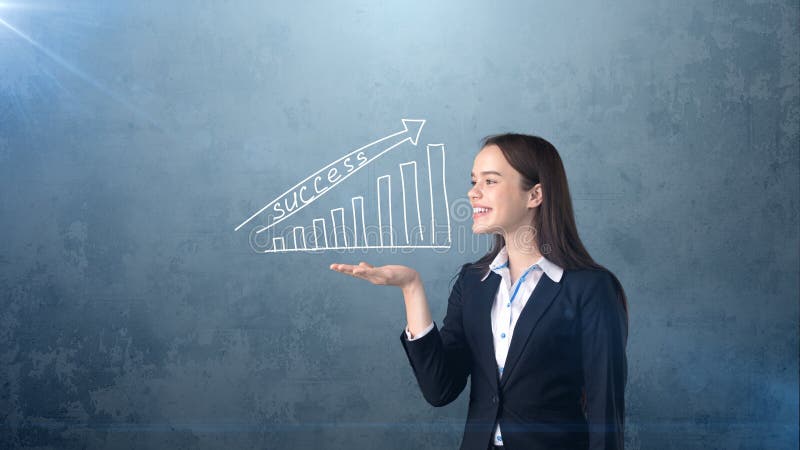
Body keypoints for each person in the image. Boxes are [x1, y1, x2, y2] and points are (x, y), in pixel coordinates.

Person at [330, 133, 628, 450]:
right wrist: (411, 287)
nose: (473, 193)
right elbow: (440, 389)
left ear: (535, 195)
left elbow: (605, 412)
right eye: (474, 181)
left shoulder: (591, 289)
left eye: (490, 181)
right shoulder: (474, 283)